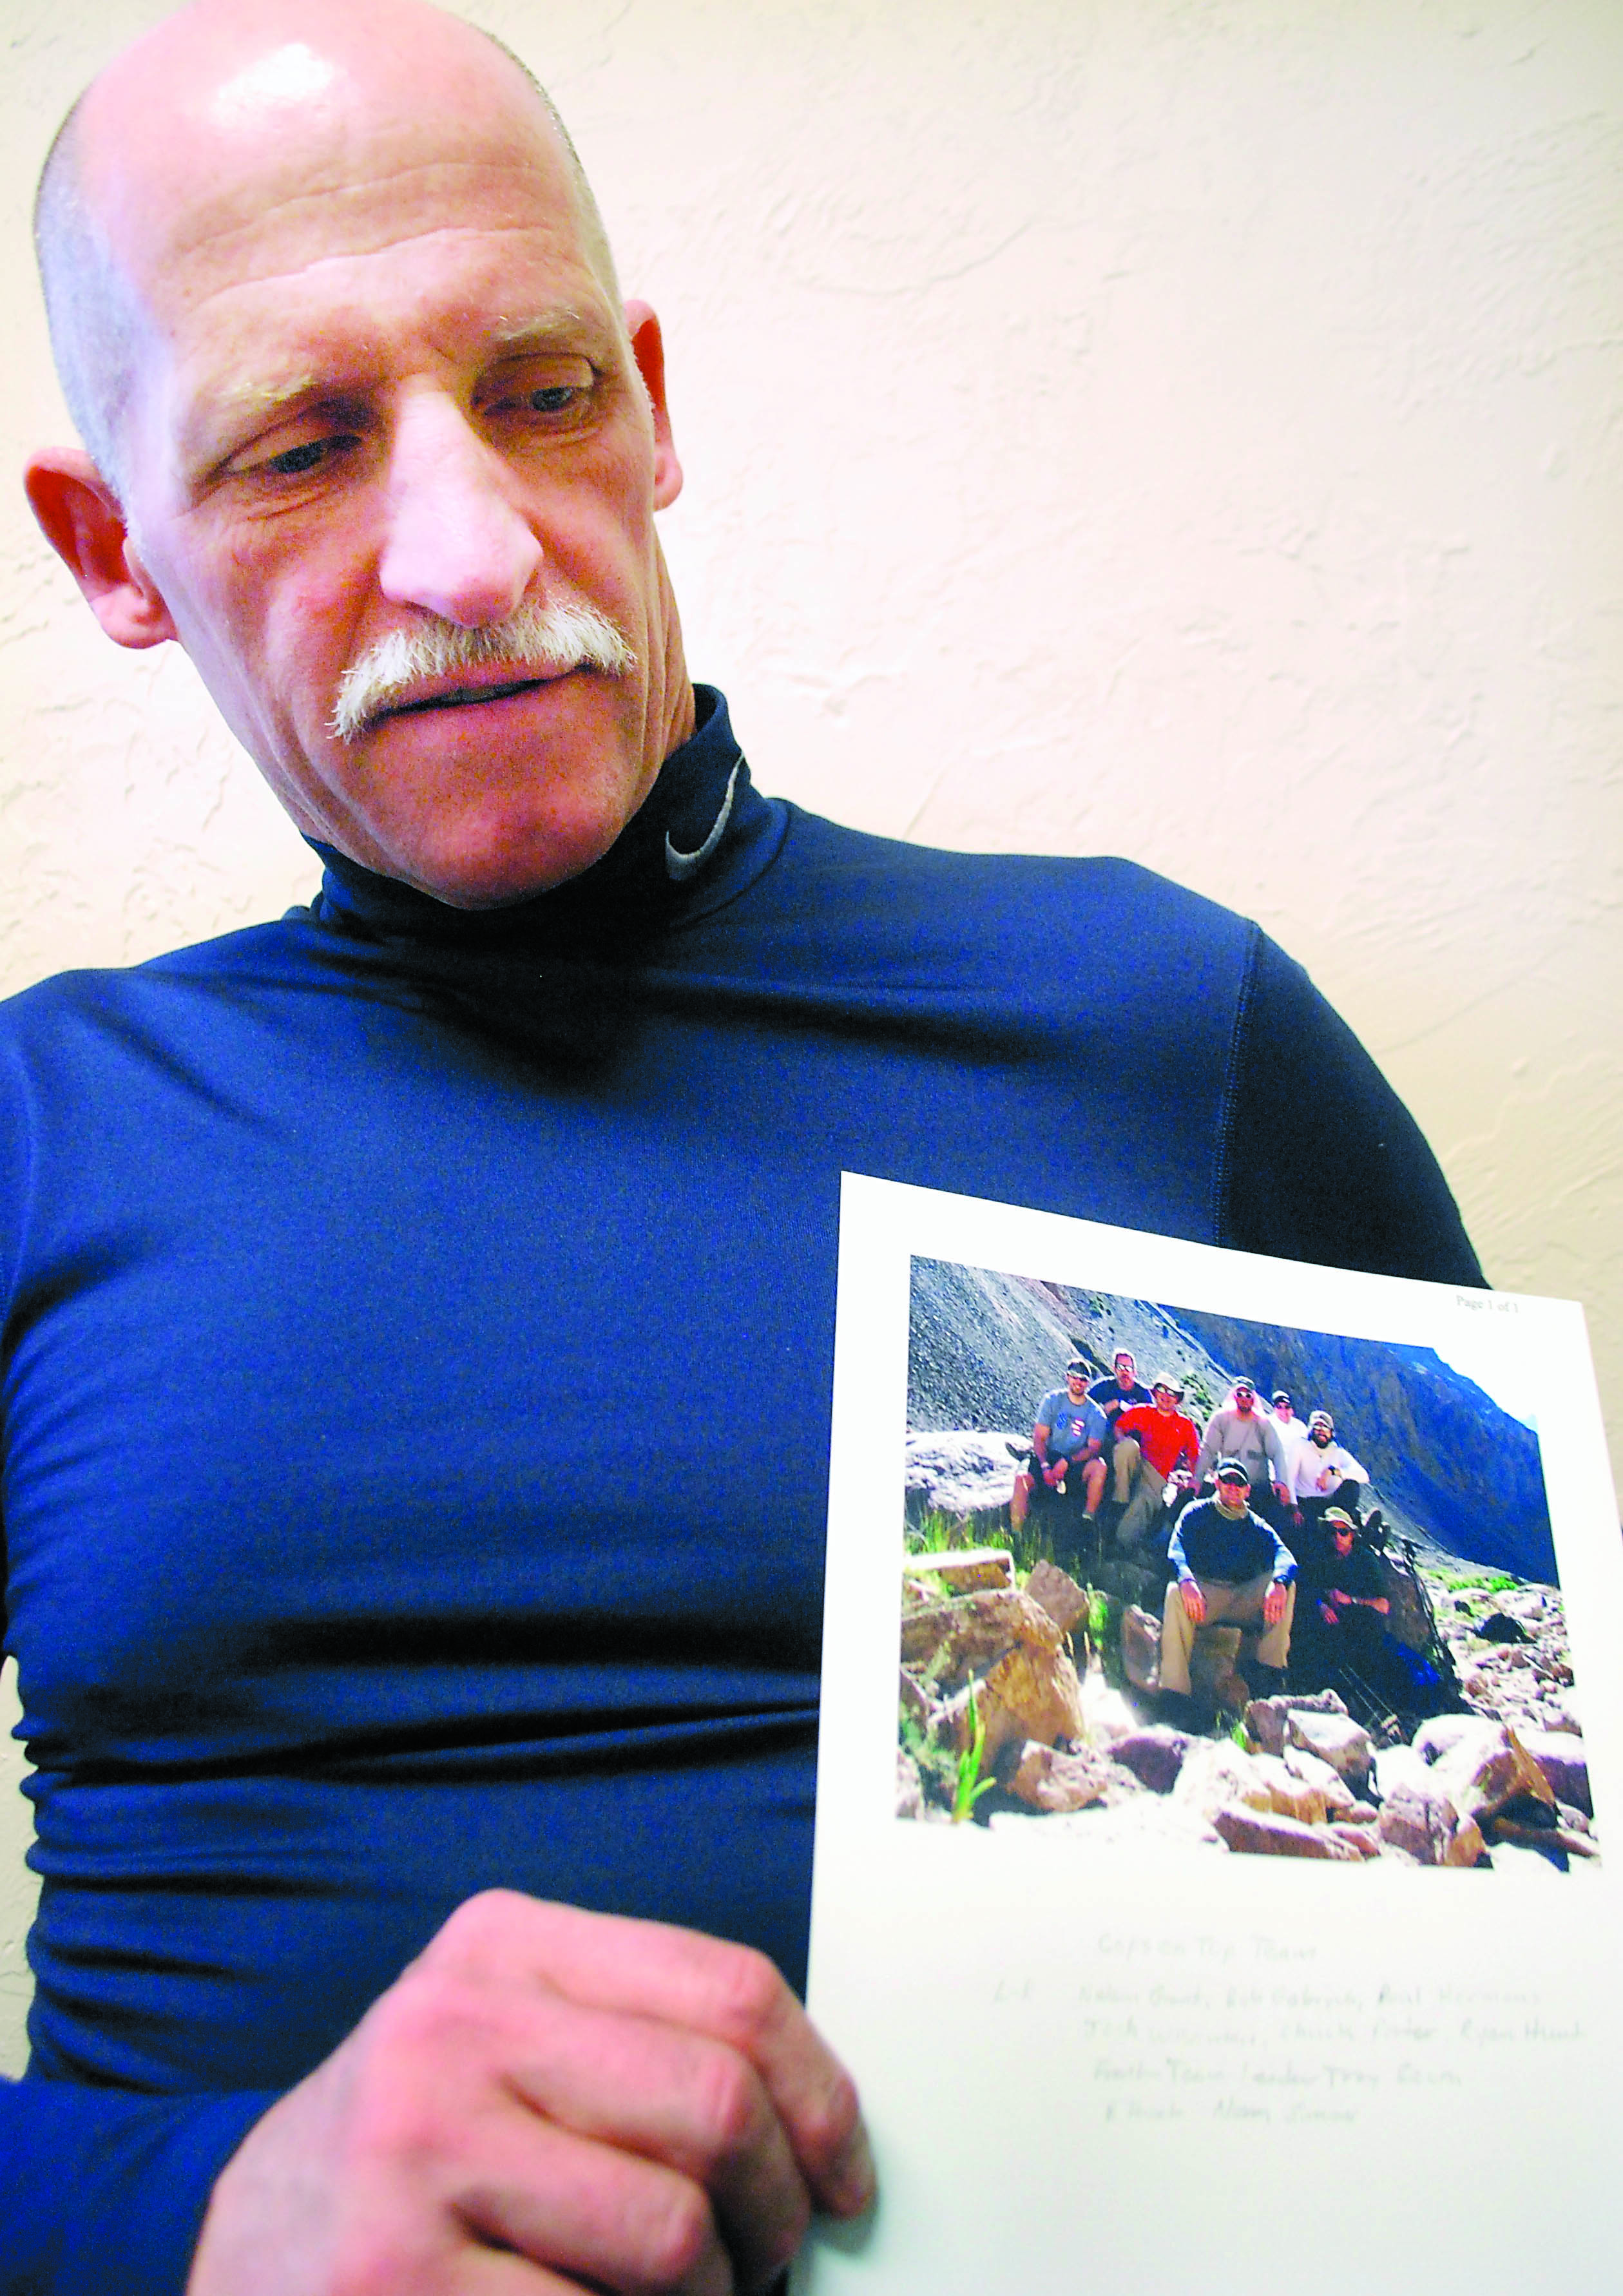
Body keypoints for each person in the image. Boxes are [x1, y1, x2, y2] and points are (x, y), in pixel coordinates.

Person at [1, 2, 1484, 2288]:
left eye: (541, 388)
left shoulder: (1151, 1020)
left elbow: (1507, 1858)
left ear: (651, 400)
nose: (473, 551)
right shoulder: (36, 1125)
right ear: (111, 546)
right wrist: (184, 2209)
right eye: (302, 444)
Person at [1159, 1461, 1298, 1720]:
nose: (1233, 1488)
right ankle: (1175, 1693)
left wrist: (1278, 1582)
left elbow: (1285, 1556)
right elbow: (1176, 1549)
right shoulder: (1196, 1512)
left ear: (1247, 1491)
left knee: (1287, 1587)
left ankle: (1269, 1671)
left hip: (1242, 1597)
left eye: (1239, 1484)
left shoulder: (1256, 1525)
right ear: (1217, 1483)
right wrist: (1186, 1580)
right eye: (1228, 1482)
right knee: (1174, 1593)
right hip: (1205, 1596)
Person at [1010, 1359, 1108, 1547]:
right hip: (1050, 1455)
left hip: (1076, 1461)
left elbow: (1094, 1449)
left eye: (1083, 1379)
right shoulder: (1052, 1401)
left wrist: (1068, 1462)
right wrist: (1046, 1466)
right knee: (1021, 1479)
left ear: (1088, 1383)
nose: (1078, 1382)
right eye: (1074, 1377)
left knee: (1100, 1467)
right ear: (1067, 1377)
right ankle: (1017, 1535)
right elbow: (1039, 1437)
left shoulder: (1096, 1414)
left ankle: (1087, 1522)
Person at [1108, 1377, 1201, 1549]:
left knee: (1127, 1532)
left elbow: (1195, 1457)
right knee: (1127, 1447)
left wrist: (1194, 1480)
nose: (1166, 1396)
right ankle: (1119, 1500)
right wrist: (1122, 1439)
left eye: (1171, 1393)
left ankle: (1123, 1547)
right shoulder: (1142, 1411)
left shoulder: (1185, 1425)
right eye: (1162, 1390)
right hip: (1138, 1462)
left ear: (1177, 1399)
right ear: (1155, 1393)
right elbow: (1119, 1427)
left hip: (1157, 1477)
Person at [1193, 1375, 1292, 1526]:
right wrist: (1197, 1479)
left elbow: (1277, 1453)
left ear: (1254, 1398)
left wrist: (1282, 1483)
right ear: (1234, 1396)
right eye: (1240, 1394)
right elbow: (1208, 1451)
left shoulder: (1263, 1424)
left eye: (1248, 1395)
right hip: (1228, 1487)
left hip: (1258, 1490)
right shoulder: (1221, 1420)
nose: (1244, 1398)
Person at [1088, 1348, 1153, 1440]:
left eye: (1129, 1368)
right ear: (1114, 1368)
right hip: (1100, 1435)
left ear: (1135, 1372)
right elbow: (1085, 1404)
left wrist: (1120, 1404)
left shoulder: (1142, 1393)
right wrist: (1102, 1410)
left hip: (1129, 1440)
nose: (1125, 1372)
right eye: (1120, 1367)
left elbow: (1150, 1420)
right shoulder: (1104, 1386)